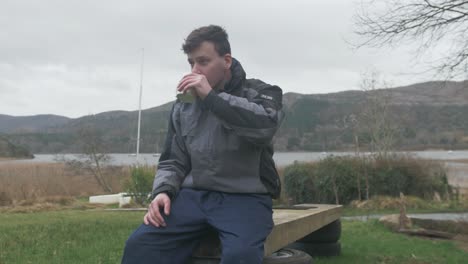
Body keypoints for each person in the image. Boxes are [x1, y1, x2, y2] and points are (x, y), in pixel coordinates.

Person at [122, 25, 284, 264]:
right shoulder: (185, 101)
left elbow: (265, 127)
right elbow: (173, 158)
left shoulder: (261, 91)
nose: (195, 70)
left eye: (203, 61)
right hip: (193, 197)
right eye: (190, 63)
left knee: (240, 256)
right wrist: (163, 191)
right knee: (141, 246)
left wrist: (211, 98)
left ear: (226, 60)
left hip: (246, 198)